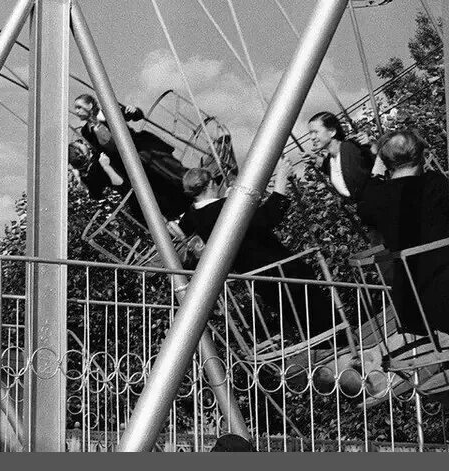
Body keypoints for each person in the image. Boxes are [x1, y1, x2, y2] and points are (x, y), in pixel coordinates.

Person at [179, 161, 336, 340]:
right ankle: (340, 341)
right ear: (211, 184)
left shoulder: (193, 217)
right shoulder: (223, 208)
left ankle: (324, 346)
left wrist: (230, 201)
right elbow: (268, 218)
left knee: (300, 319)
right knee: (317, 311)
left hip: (256, 277)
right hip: (279, 269)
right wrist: (281, 181)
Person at [348, 129, 449, 336]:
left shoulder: (377, 198)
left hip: (416, 306)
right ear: (420, 156)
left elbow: (364, 208)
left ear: (385, 163)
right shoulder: (436, 184)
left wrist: (376, 172)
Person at [72, 94, 190, 220]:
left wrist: (134, 111)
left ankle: (193, 192)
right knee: (154, 188)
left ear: (90, 106)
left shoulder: (109, 111)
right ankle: (180, 211)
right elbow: (99, 150)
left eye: (79, 107)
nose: (77, 111)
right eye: (76, 108)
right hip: (125, 163)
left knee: (169, 173)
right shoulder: (86, 131)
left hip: (141, 151)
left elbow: (135, 115)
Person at [306, 111, 372, 202]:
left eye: (316, 132)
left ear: (332, 132)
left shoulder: (350, 148)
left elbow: (373, 160)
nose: (312, 137)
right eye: (310, 133)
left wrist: (370, 145)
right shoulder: (330, 161)